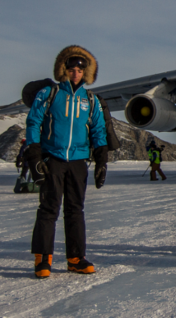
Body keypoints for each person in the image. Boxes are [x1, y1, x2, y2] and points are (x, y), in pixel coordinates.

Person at [24, 45, 108, 278]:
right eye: (71, 69)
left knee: (75, 210)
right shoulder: (49, 94)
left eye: (79, 70)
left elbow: (98, 129)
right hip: (55, 158)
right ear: (64, 70)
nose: (75, 73)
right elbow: (34, 122)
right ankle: (43, 259)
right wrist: (34, 153)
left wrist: (101, 159)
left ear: (85, 73)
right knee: (49, 209)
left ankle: (75, 258)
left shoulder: (90, 100)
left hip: (78, 161)